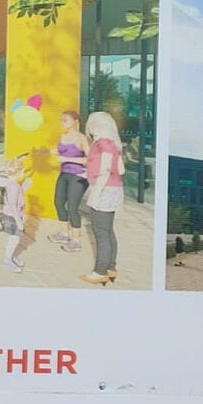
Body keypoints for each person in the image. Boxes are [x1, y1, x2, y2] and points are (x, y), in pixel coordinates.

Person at [81, 112, 125, 285]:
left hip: (103, 190)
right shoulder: (114, 144)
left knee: (100, 233)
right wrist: (90, 172)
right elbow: (120, 170)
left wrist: (94, 195)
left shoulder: (102, 143)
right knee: (108, 230)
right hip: (114, 190)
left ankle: (100, 272)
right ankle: (111, 268)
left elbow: (105, 171)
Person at [45, 110, 91, 253]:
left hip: (78, 176)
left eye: (65, 120)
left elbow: (90, 159)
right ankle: (64, 234)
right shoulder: (63, 136)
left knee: (72, 207)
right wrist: (51, 151)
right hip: (64, 173)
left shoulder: (82, 138)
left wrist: (67, 159)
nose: (62, 123)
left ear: (75, 122)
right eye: (61, 120)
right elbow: (63, 151)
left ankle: (76, 241)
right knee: (58, 203)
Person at [0, 156, 29, 274]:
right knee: (14, 239)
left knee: (14, 239)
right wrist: (19, 222)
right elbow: (13, 204)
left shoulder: (12, 183)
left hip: (13, 215)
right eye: (22, 171)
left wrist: (25, 186)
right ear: (18, 172)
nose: (23, 174)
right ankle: (7, 260)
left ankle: (10, 256)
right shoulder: (13, 185)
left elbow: (17, 196)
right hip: (13, 217)